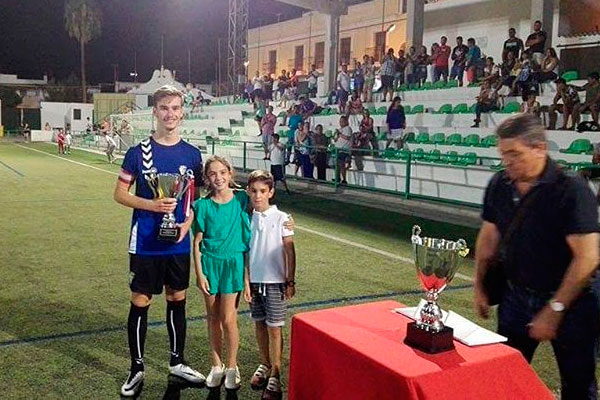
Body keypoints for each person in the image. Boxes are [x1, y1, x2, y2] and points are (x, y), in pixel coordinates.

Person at [474, 113, 600, 400]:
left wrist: (554, 310)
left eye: (514, 154)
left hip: (573, 304)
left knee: (578, 385)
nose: (507, 162)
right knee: (505, 375)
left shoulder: (572, 190)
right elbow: (489, 236)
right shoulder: (500, 184)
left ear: (539, 148)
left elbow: (588, 257)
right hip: (515, 296)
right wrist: (480, 284)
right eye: (503, 154)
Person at [114, 85, 205, 397]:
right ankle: (136, 368)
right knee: (141, 301)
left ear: (182, 112)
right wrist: (152, 205)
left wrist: (187, 224)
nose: (170, 114)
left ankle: (177, 363)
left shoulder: (193, 155)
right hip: (146, 243)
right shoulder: (138, 152)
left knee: (177, 298)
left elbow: (196, 199)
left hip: (177, 242)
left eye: (176, 108)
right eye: (165, 108)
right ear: (155, 111)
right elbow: (119, 194)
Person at [192, 156, 249, 392]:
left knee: (228, 319)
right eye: (213, 174)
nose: (219, 177)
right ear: (207, 178)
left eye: (223, 172)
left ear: (230, 173)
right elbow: (196, 242)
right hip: (210, 265)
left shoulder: (242, 199)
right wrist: (199, 273)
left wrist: (287, 222)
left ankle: (232, 367)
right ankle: (216, 365)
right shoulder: (202, 206)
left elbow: (266, 203)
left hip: (233, 264)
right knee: (213, 318)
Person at [244, 170, 296, 400]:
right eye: (254, 191)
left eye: (262, 191)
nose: (258, 196)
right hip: (254, 282)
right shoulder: (246, 217)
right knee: (259, 325)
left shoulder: (282, 217)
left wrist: (290, 279)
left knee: (275, 328)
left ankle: (275, 373)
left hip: (275, 282)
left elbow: (289, 250)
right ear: (248, 192)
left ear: (271, 192)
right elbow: (245, 251)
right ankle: (264, 364)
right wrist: (246, 280)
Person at [333, 115, 352, 185]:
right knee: (337, 165)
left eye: (342, 121)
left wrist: (339, 134)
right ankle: (337, 178)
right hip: (338, 150)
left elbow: (347, 137)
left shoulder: (348, 129)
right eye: (340, 121)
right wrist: (336, 135)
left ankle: (344, 179)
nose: (341, 123)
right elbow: (335, 140)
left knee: (342, 165)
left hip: (344, 150)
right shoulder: (339, 129)